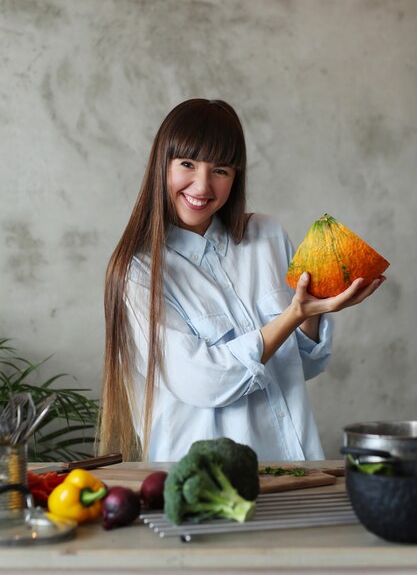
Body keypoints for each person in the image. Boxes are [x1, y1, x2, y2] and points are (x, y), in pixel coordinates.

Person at [98, 98, 385, 462]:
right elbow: (200, 382)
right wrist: (292, 315)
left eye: (220, 170)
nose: (202, 186)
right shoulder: (137, 272)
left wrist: (314, 305)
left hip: (292, 467)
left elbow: (304, 365)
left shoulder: (267, 234)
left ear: (236, 176)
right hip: (204, 483)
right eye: (187, 164)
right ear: (161, 166)